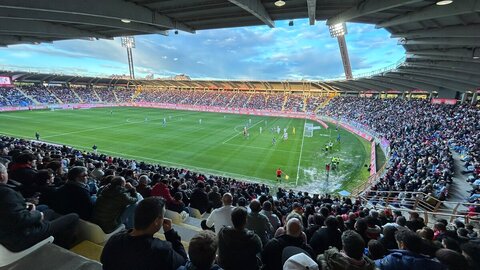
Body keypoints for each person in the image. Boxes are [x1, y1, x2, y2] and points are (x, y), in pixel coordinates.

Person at [0, 163, 79, 251]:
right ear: (2, 176)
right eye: (6, 172)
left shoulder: (6, 192)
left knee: (50, 212)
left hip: (9, 233)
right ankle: (62, 249)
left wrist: (26, 206)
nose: (8, 173)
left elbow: (9, 212)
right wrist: (37, 214)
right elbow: (20, 219)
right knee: (74, 217)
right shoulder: (6, 192)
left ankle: (53, 234)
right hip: (19, 238)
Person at [101, 197, 187, 270]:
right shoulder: (162, 250)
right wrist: (170, 233)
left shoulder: (114, 239)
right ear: (156, 221)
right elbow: (183, 259)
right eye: (163, 215)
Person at [375, 229, 445, 270]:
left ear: (402, 244)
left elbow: (374, 264)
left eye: (397, 242)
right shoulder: (435, 262)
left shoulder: (393, 259)